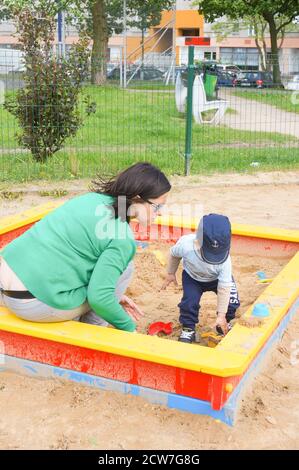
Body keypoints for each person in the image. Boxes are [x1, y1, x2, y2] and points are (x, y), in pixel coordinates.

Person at [0, 162, 171, 332]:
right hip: (30, 303)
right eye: (158, 206)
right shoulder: (121, 237)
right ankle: (93, 332)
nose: (161, 212)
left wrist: (111, 295)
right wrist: (129, 328)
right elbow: (99, 299)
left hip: (6, 280)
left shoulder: (91, 199)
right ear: (137, 197)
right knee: (126, 269)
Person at [162, 213, 240, 343]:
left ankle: (225, 322)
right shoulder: (186, 245)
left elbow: (224, 288)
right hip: (193, 278)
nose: (213, 259)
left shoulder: (225, 261)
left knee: (232, 301)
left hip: (216, 279)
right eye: (209, 254)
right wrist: (171, 273)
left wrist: (221, 315)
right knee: (189, 303)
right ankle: (188, 329)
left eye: (217, 255)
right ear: (197, 241)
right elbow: (173, 254)